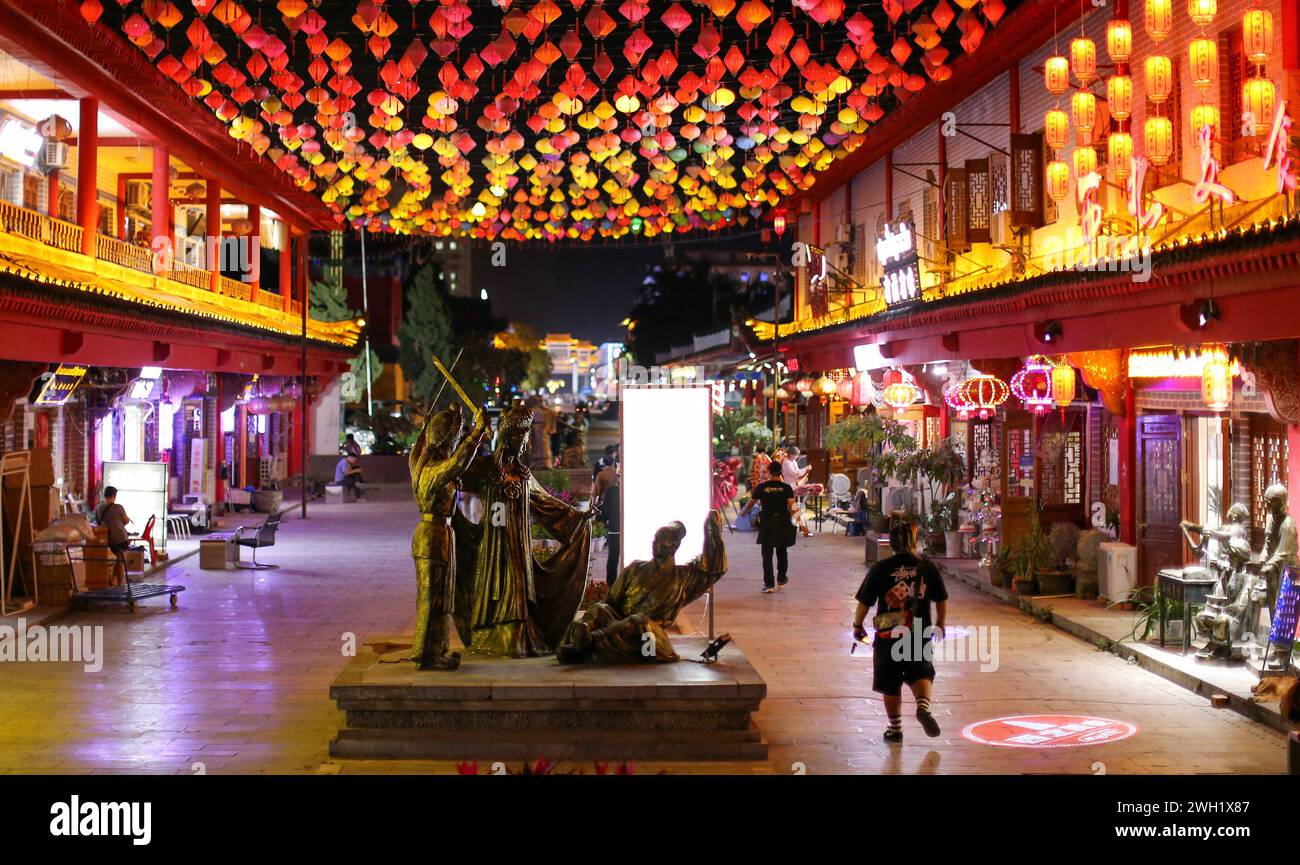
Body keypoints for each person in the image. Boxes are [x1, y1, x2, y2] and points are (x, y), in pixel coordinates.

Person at [558, 512, 727, 664]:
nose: (655, 544)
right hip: (618, 629)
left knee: (640, 620)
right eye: (654, 540)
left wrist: (711, 528)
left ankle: (591, 641)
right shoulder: (635, 568)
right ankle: (578, 641)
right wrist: (594, 617)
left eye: (660, 541)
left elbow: (712, 569)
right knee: (598, 609)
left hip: (649, 640)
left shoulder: (683, 577)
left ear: (673, 546)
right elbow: (610, 602)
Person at [408, 402, 489, 670]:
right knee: (434, 598)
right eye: (454, 439)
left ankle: (437, 649)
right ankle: (426, 655)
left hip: (436, 534)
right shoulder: (434, 471)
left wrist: (428, 426)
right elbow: (458, 464)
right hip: (433, 536)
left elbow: (418, 446)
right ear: (447, 441)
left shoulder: (419, 462)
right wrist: (476, 433)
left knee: (442, 596)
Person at [853, 523, 948, 743]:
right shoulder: (926, 567)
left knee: (890, 681)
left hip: (889, 635)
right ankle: (922, 707)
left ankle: (895, 729)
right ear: (913, 541)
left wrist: (857, 625)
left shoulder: (881, 568)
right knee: (921, 672)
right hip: (918, 632)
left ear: (891, 543)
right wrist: (941, 624)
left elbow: (864, 602)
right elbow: (941, 599)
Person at [739, 461, 797, 593]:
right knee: (782, 552)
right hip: (782, 523)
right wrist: (801, 524)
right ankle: (781, 579)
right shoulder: (786, 488)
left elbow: (751, 503)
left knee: (767, 555)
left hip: (767, 523)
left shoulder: (762, 487)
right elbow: (793, 507)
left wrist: (743, 512)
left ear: (769, 472)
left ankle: (769, 584)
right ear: (781, 472)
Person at [93, 486, 132, 585]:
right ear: (114, 496)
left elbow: (98, 522)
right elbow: (126, 521)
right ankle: (120, 583)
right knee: (120, 561)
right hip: (120, 537)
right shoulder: (118, 507)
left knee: (115, 560)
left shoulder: (98, 508)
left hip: (107, 539)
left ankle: (112, 581)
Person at [592, 459, 620, 585]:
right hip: (629, 529)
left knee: (613, 558)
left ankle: (611, 585)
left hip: (615, 530)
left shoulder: (611, 491)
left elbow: (604, 515)